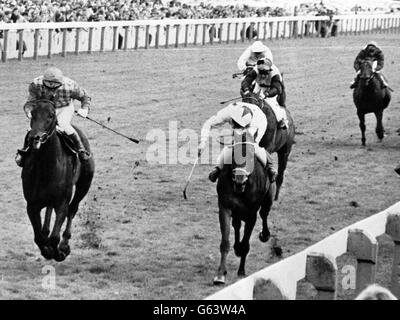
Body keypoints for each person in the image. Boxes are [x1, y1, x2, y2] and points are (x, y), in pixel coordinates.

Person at [15, 67, 92, 167]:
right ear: (43, 82)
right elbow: (30, 102)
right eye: (48, 87)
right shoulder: (35, 84)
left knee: (64, 125)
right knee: (32, 129)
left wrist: (84, 109)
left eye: (55, 87)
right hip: (45, 109)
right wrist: (29, 111)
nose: (51, 91)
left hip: (64, 107)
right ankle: (24, 152)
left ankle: (81, 150)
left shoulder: (70, 86)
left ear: (60, 84)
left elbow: (85, 97)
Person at [198, 102, 277, 183]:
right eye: (234, 124)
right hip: (244, 114)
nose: (233, 127)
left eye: (238, 127)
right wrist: (203, 142)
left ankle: (269, 166)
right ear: (232, 117)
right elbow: (209, 123)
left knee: (252, 145)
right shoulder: (228, 112)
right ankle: (218, 168)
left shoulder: (255, 122)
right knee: (233, 144)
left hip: (260, 121)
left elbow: (247, 142)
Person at [241, 57, 289, 129]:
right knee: (249, 103)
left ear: (269, 70)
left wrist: (267, 94)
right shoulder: (255, 70)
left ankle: (282, 120)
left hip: (270, 89)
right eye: (261, 73)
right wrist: (246, 90)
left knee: (274, 107)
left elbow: (276, 89)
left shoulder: (275, 74)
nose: (263, 76)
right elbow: (246, 81)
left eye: (265, 73)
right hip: (258, 87)